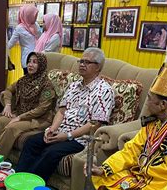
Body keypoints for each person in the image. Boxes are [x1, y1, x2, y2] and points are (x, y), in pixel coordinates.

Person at [15, 48, 114, 181]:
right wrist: (53, 129)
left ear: (98, 67)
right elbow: (61, 111)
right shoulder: (74, 86)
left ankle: (31, 186)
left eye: (87, 62)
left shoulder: (104, 91)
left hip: (80, 139)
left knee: (50, 152)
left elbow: (95, 124)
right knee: (31, 142)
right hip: (61, 131)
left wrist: (67, 136)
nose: (82, 64)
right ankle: (17, 180)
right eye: (81, 61)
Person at [0, 52, 55, 157]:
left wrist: (19, 118)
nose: (30, 65)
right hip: (22, 114)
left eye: (35, 62)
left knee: (12, 128)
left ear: (41, 65)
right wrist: (8, 105)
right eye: (29, 61)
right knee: (1, 121)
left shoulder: (47, 85)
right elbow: (8, 91)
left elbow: (42, 109)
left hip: (40, 119)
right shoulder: (23, 80)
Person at [8, 4, 40, 74]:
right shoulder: (21, 28)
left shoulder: (35, 25)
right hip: (29, 61)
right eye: (34, 15)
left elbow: (9, 45)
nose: (35, 17)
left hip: (35, 59)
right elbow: (9, 45)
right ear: (28, 15)